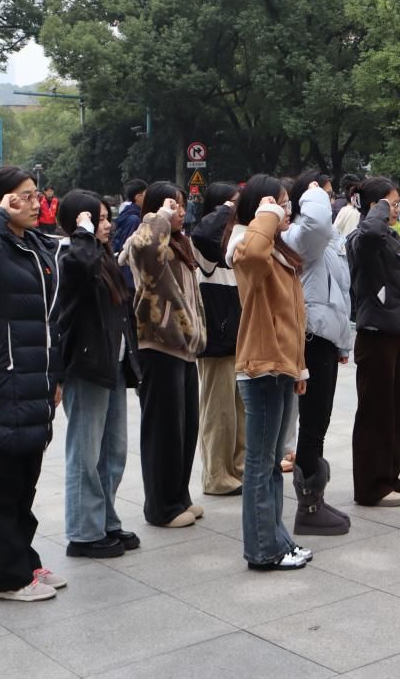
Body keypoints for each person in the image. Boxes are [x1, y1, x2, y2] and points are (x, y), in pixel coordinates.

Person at [0, 166, 64, 601]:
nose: (35, 202)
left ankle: (25, 562)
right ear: (1, 201)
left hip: (33, 383)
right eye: (24, 195)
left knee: (23, 486)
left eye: (36, 194)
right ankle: (7, 578)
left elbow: (50, 320)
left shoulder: (35, 245)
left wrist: (55, 375)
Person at [225, 174, 312, 571]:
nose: (286, 210)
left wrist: (299, 368)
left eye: (286, 203)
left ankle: (277, 540)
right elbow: (253, 253)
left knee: (272, 462)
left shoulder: (273, 249)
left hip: (280, 366)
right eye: (280, 202)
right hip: (261, 367)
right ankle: (263, 550)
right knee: (261, 465)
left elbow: (292, 315)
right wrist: (266, 214)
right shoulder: (246, 245)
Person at [56, 190, 142, 559]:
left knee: (113, 451)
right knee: (85, 452)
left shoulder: (101, 255)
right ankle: (83, 531)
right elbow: (82, 268)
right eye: (99, 219)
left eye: (106, 218)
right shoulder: (72, 255)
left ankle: (105, 520)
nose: (107, 225)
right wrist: (84, 231)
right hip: (87, 366)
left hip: (112, 365)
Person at [120, 183, 207, 528]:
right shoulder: (145, 241)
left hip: (185, 347)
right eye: (174, 205)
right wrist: (159, 217)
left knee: (185, 428)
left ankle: (179, 496)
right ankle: (161, 507)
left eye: (182, 205)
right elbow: (146, 250)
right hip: (159, 345)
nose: (181, 211)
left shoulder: (179, 243)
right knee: (163, 431)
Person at [281, 170, 353, 537]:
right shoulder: (301, 236)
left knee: (318, 423)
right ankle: (307, 508)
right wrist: (312, 193)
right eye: (324, 194)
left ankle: (315, 500)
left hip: (324, 338)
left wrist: (342, 342)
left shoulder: (320, 240)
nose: (330, 199)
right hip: (311, 338)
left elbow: (339, 291)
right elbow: (316, 222)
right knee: (311, 425)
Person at [346, 177, 400, 507]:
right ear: (374, 206)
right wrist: (378, 210)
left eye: (398, 202)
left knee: (398, 410)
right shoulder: (362, 237)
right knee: (375, 413)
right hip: (375, 334)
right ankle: (370, 485)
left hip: (396, 331)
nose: (397, 208)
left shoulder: (389, 235)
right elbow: (370, 234)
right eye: (392, 202)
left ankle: (390, 474)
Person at [191, 182, 246, 498]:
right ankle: (217, 476)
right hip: (216, 341)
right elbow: (203, 233)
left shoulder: (234, 240)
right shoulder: (205, 244)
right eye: (233, 204)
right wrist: (227, 208)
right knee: (218, 411)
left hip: (239, 339)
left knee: (240, 411)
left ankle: (238, 469)